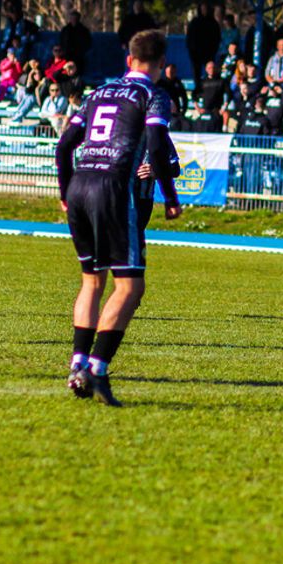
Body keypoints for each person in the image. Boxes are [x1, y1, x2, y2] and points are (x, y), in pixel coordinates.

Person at [56, 29, 183, 407]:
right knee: (129, 288)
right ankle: (96, 368)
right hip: (113, 190)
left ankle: (77, 363)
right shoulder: (153, 95)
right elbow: (157, 147)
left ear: (129, 60)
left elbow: (64, 146)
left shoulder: (99, 92)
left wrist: (64, 192)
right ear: (161, 63)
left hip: (80, 186)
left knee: (92, 281)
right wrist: (170, 197)